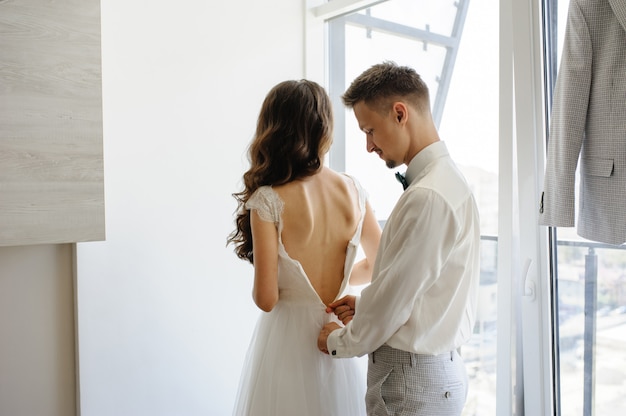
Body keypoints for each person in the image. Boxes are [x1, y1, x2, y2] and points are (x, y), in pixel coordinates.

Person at [317, 61, 481, 415]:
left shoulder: (429, 196)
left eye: (370, 130)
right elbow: (424, 287)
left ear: (400, 114)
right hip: (433, 373)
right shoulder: (450, 182)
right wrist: (365, 308)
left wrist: (336, 341)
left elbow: (395, 296)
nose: (368, 146)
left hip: (412, 381)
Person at [227, 79, 381, 416]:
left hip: (287, 345)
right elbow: (380, 262)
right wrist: (341, 281)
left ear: (272, 129)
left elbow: (266, 300)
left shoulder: (268, 199)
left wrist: (292, 278)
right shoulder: (353, 189)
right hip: (336, 337)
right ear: (324, 128)